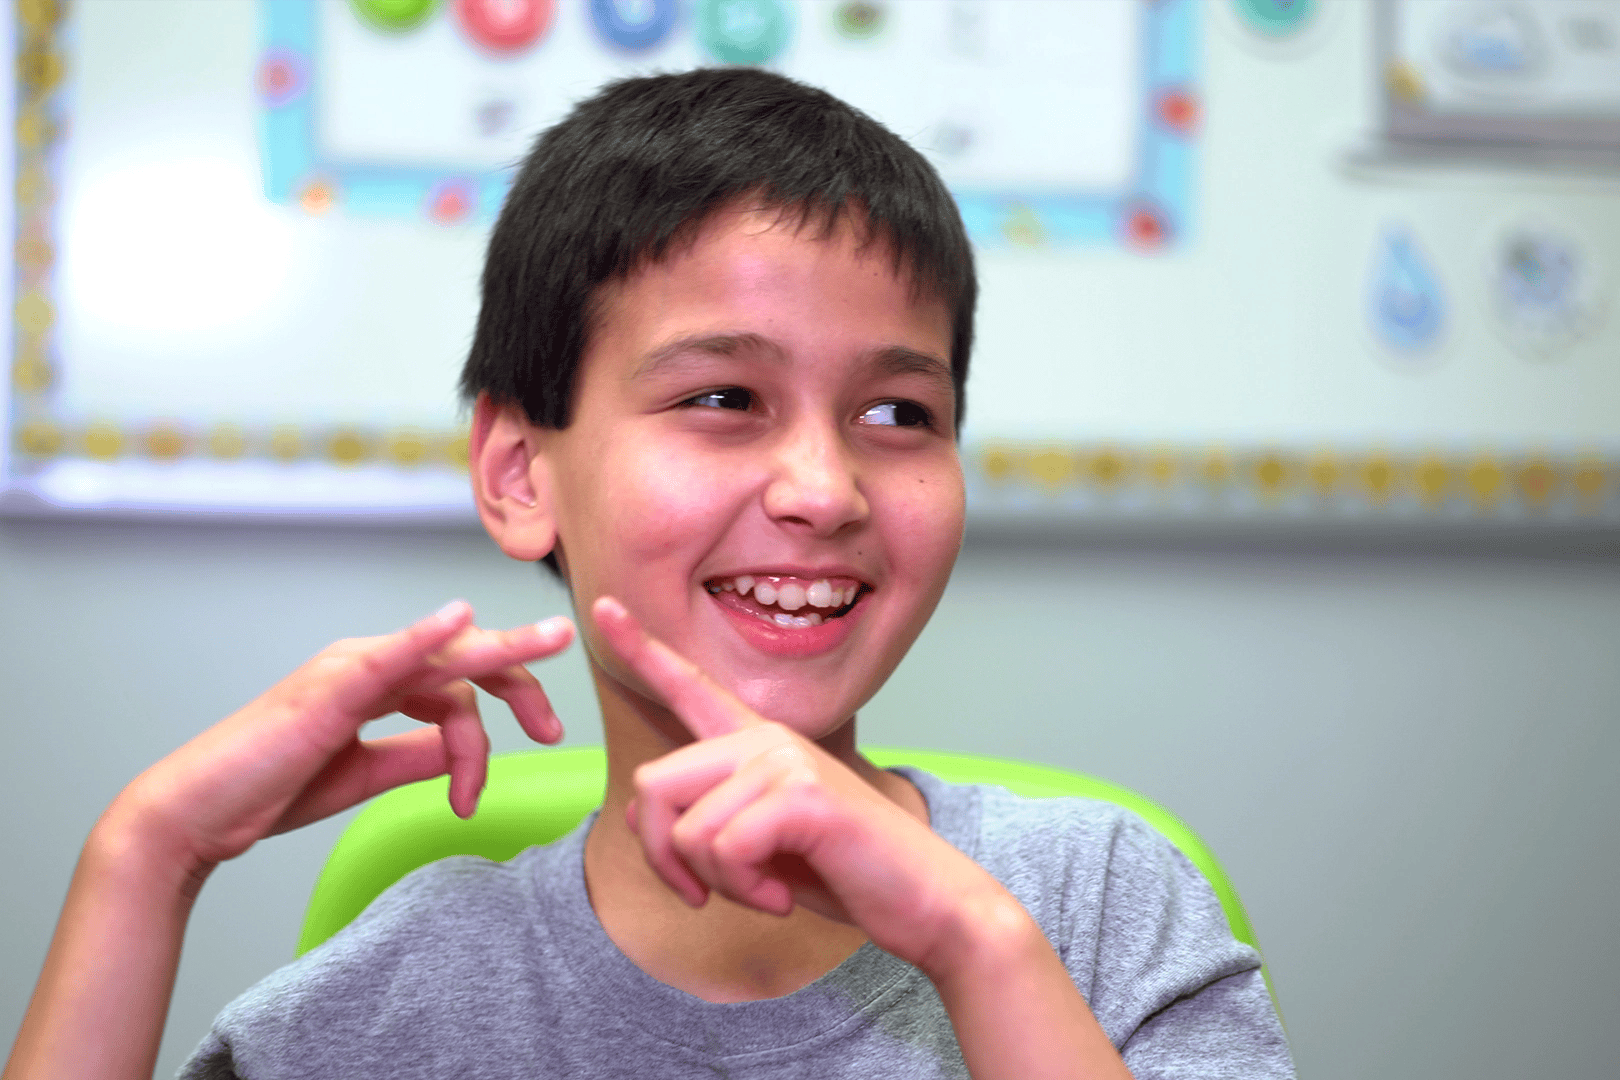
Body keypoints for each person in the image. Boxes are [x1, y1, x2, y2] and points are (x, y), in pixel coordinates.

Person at [3, 69, 1293, 1080]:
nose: (824, 489)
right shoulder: (400, 1004)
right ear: (520, 472)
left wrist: (978, 946)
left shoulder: (1101, 904)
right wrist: (148, 854)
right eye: (726, 397)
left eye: (900, 414)